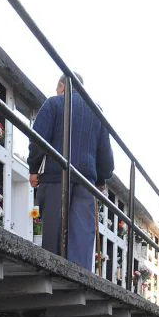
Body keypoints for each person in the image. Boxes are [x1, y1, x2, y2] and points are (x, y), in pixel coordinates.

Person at [27, 73, 114, 270]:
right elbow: (106, 157)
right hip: (86, 183)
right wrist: (101, 180)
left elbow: (38, 140)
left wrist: (34, 168)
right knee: (81, 241)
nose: (57, 92)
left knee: (54, 237)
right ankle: (78, 281)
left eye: (57, 89)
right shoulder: (96, 112)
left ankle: (52, 276)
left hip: (55, 178)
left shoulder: (54, 104)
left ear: (62, 86)